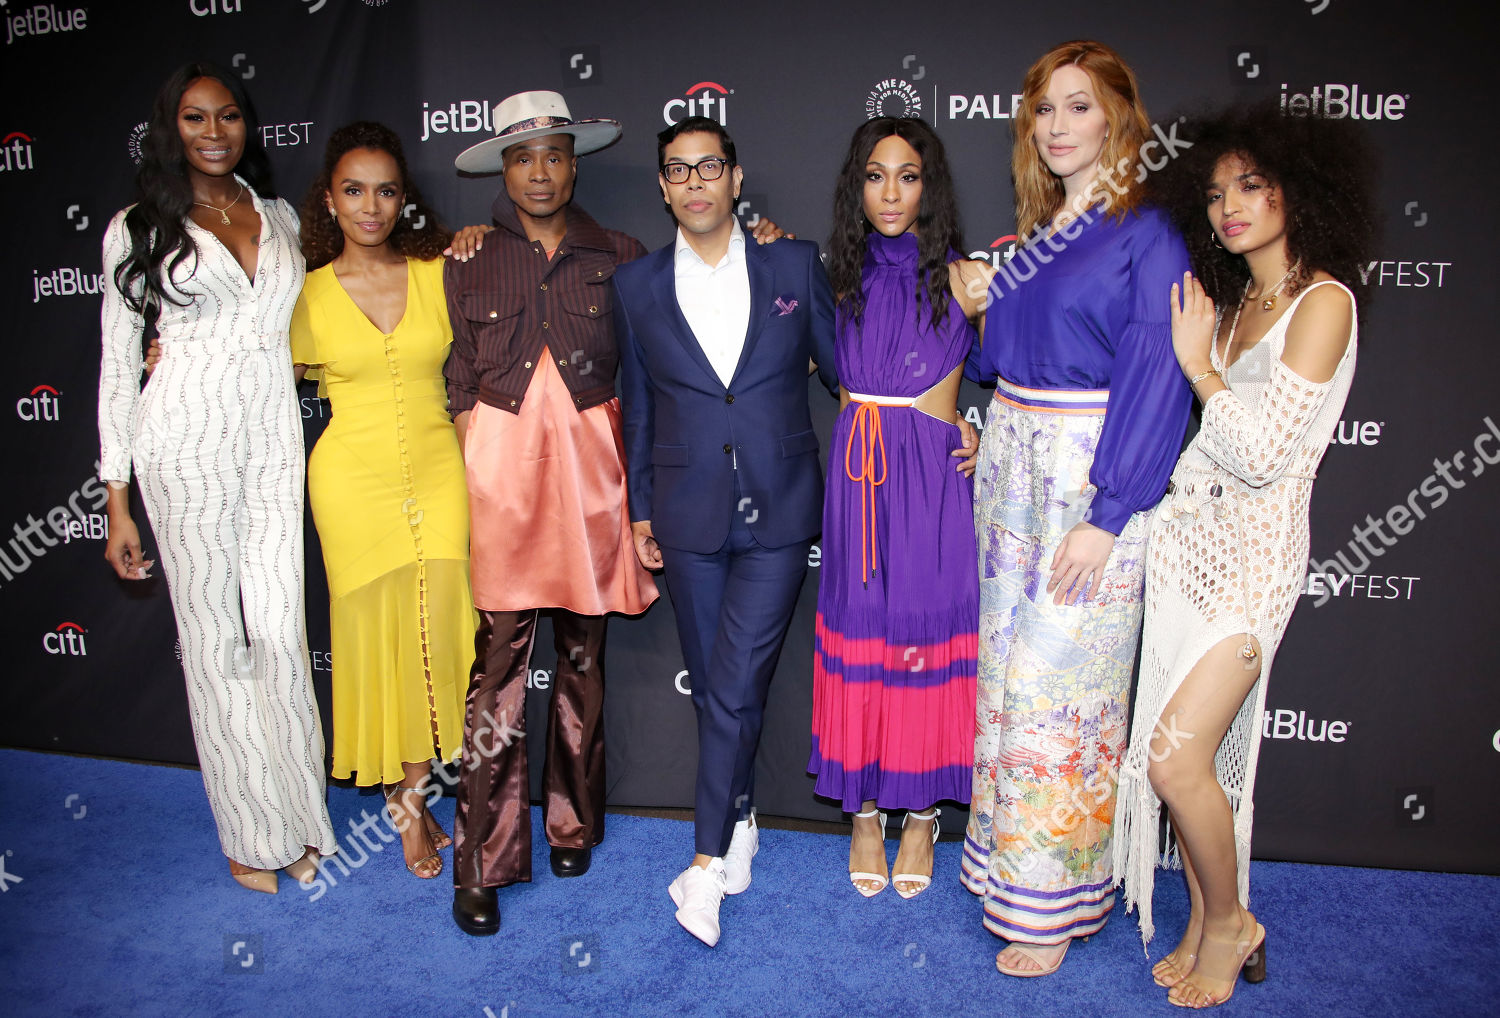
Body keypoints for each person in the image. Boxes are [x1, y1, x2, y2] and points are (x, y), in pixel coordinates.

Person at [1115, 103, 1372, 1008]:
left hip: (1256, 563)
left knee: (1177, 756)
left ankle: (1233, 921)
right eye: (1217, 192)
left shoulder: (1323, 303)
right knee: (1193, 758)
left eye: (1252, 186)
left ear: (1297, 189)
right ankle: (1199, 916)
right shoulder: (1223, 307)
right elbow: (1202, 448)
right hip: (1186, 553)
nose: (1230, 206)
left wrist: (1201, 370)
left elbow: (1264, 455)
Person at [961, 40, 1192, 975]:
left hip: (1090, 489)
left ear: (1117, 119)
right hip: (1011, 476)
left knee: (1068, 698)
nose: (1057, 127)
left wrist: (1111, 510)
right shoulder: (1026, 238)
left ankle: (1053, 903)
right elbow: (998, 363)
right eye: (1044, 111)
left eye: (1078, 107)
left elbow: (1158, 373)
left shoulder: (1150, 232)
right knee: (1010, 687)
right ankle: (1008, 874)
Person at [99, 61, 335, 893]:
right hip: (182, 446)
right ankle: (247, 834)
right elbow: (116, 365)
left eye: (228, 115)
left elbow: (327, 301)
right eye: (195, 118)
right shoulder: (138, 226)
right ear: (173, 127)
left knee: (277, 634)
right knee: (215, 644)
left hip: (274, 445)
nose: (212, 131)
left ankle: (301, 820)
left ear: (246, 126)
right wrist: (115, 496)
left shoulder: (277, 217)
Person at [614, 116, 838, 947]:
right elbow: (637, 408)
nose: (696, 181)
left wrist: (945, 416)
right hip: (687, 509)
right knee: (714, 685)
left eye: (711, 166)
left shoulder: (792, 263)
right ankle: (741, 815)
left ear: (736, 179)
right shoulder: (636, 287)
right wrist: (640, 506)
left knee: (737, 681)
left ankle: (704, 865)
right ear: (664, 187)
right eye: (679, 170)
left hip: (779, 508)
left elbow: (851, 373)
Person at [441, 90, 660, 936]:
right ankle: (483, 860)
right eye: (523, 155)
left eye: (555, 153)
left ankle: (573, 821)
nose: (540, 170)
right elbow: (456, 370)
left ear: (577, 161)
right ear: (504, 165)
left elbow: (646, 374)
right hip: (503, 476)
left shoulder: (625, 254)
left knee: (582, 650)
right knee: (496, 666)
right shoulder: (461, 258)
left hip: (591, 475)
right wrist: (477, 438)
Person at [289, 121, 476, 880]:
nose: (371, 206)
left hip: (440, 470)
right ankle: (407, 804)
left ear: (405, 199)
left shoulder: (439, 272)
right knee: (381, 644)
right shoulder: (301, 295)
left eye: (387, 190)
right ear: (330, 200)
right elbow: (250, 375)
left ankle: (443, 785)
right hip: (352, 483)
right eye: (355, 190)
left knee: (439, 636)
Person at [810, 116, 983, 900]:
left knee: (919, 633)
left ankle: (920, 813)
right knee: (866, 632)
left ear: (929, 186)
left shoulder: (965, 278)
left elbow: (1028, 373)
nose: (891, 191)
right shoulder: (832, 276)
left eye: (907, 175)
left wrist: (978, 428)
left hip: (931, 477)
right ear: (857, 185)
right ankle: (865, 809)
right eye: (876, 175)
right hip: (857, 480)